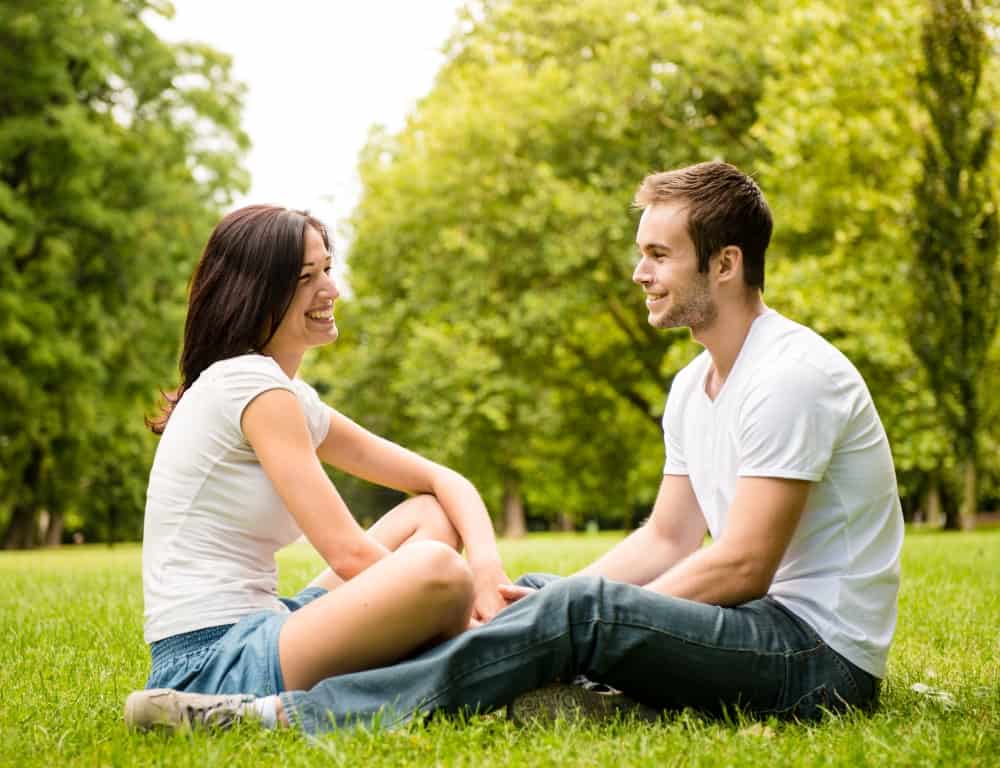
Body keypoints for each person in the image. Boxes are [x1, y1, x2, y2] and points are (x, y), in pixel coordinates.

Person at [125, 162, 903, 732]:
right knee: (538, 592)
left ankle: (287, 716)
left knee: (572, 609)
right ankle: (539, 672)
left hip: (812, 654)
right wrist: (538, 602)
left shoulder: (791, 375)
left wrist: (571, 617)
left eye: (659, 256)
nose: (639, 273)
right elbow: (666, 538)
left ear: (725, 264)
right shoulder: (692, 388)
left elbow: (742, 564)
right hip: (752, 625)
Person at [126, 205, 511, 729]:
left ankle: (286, 702)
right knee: (439, 572)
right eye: (306, 278)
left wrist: (487, 570)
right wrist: (471, 616)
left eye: (326, 269)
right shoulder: (250, 384)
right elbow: (349, 552)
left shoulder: (284, 394)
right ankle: (249, 712)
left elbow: (442, 481)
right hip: (211, 662)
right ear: (255, 293)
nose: (329, 290)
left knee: (427, 517)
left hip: (267, 625)